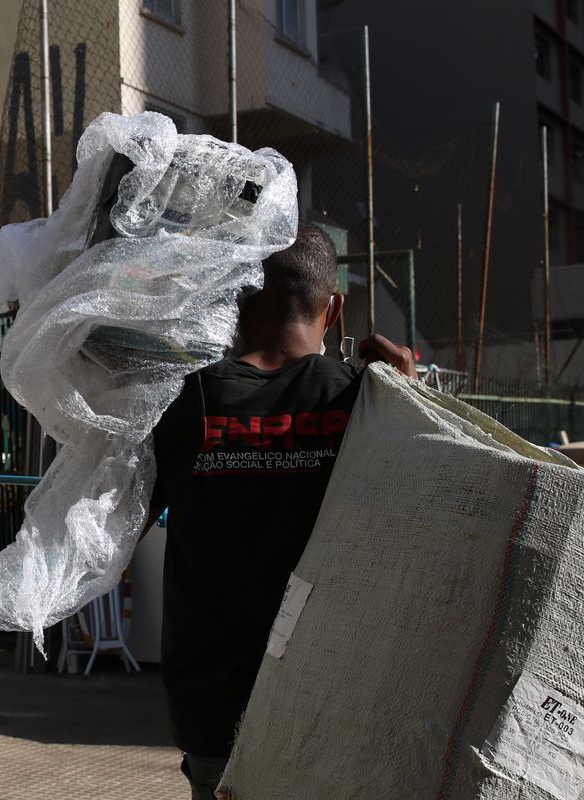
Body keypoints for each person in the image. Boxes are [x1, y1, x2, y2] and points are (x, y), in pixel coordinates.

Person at [146, 226, 415, 797]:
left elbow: (112, 528)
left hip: (213, 711)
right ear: (334, 310)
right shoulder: (369, 400)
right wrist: (411, 398)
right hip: (335, 706)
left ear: (236, 301)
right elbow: (428, 514)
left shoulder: (183, 402)